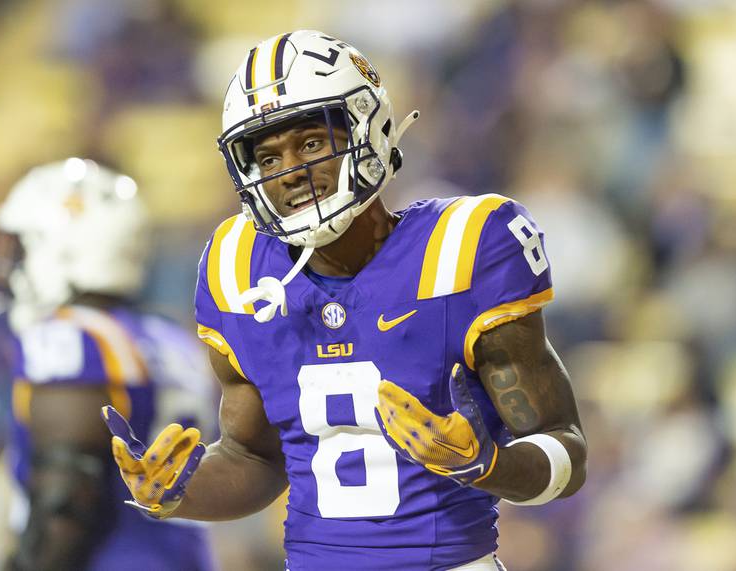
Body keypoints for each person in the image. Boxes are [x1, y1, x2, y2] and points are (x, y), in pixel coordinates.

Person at [104, 30, 587, 571]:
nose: (291, 171)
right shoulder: (236, 266)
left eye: (311, 143)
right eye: (267, 157)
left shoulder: (463, 247)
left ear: (369, 127)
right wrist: (177, 492)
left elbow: (565, 449)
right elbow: (255, 457)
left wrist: (486, 465)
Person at [0, 159, 216, 571]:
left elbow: (67, 505)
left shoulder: (70, 337)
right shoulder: (169, 338)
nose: (12, 265)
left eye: (23, 247)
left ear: (62, 250)